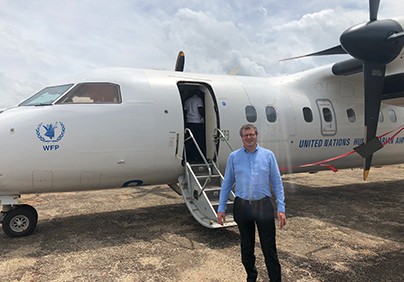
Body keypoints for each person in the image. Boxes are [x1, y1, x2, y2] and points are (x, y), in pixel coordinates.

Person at [217, 123, 286, 282]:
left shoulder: (268, 155)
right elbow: (227, 183)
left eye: (251, 134)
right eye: (245, 135)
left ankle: (275, 279)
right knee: (247, 248)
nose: (249, 137)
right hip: (242, 205)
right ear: (241, 138)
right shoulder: (234, 157)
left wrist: (281, 208)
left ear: (256, 135)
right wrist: (221, 208)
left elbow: (277, 182)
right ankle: (251, 276)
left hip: (263, 205)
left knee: (269, 248)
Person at [184, 90, 205, 162]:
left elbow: (185, 111)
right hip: (197, 122)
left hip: (189, 122)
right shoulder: (198, 100)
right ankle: (199, 157)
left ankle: (189, 156)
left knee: (190, 140)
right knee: (199, 140)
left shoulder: (187, 101)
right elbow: (200, 110)